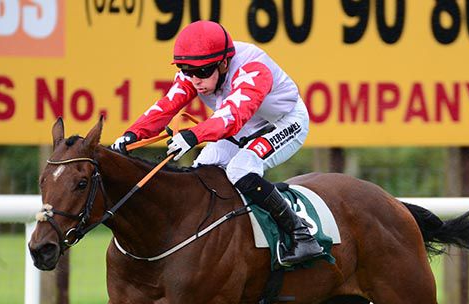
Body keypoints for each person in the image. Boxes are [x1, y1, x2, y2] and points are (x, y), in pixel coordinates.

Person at [111, 20, 323, 267]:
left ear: (224, 63)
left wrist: (193, 135)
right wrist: (132, 135)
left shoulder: (254, 69)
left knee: (240, 169)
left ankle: (302, 235)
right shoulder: (195, 74)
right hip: (248, 122)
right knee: (201, 170)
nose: (194, 79)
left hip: (285, 122)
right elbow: (166, 106)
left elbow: (233, 116)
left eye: (202, 72)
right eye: (186, 70)